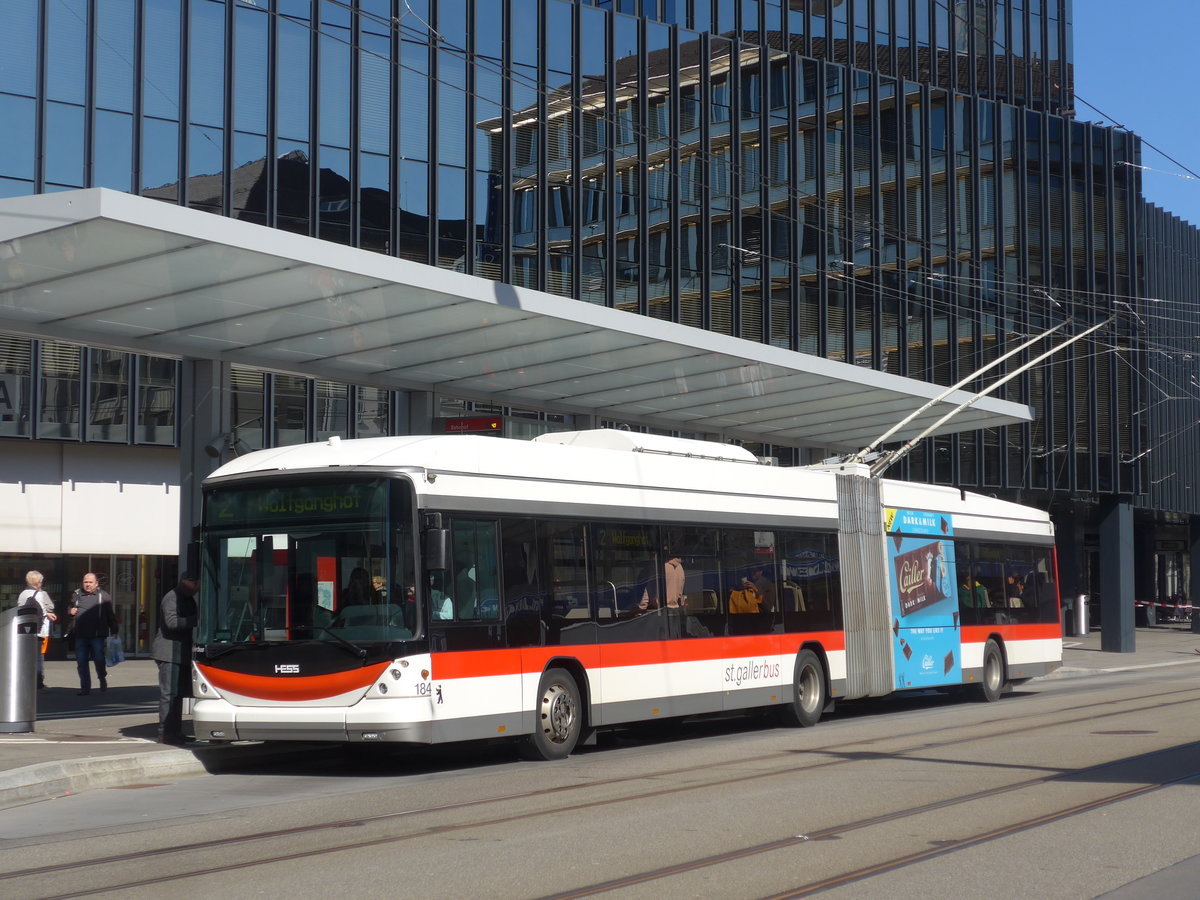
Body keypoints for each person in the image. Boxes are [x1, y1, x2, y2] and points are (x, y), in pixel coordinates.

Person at [152, 573, 200, 745]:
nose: (197, 587)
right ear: (185, 581)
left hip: (179, 652)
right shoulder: (172, 597)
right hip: (169, 652)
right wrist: (197, 620)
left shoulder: (187, 598)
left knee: (177, 695)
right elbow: (171, 623)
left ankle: (174, 731)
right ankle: (165, 733)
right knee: (169, 694)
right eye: (195, 583)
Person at [68, 573, 117, 696]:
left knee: (99, 659)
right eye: (85, 582)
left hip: (97, 635)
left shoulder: (103, 596)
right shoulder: (77, 595)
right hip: (80, 634)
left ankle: (102, 676)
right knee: (81, 662)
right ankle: (85, 688)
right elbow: (70, 607)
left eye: (90, 582)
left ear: (96, 584)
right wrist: (70, 611)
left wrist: (114, 631)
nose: (88, 584)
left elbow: (110, 615)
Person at [17, 570, 57, 690]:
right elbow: (42, 611)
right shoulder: (38, 594)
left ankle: (24, 680)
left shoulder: (22, 594)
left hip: (24, 629)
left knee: (25, 656)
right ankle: (38, 682)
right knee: (38, 657)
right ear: (38, 583)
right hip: (38, 630)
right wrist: (48, 615)